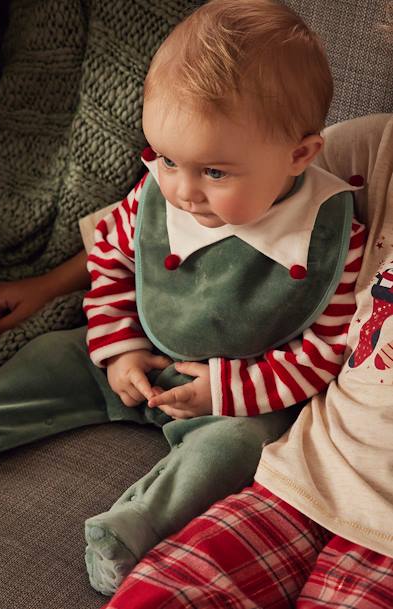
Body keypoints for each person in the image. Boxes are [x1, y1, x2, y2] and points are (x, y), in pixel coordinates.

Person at [0, 0, 365, 597]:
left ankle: (135, 525)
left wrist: (228, 390)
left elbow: (328, 349)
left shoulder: (332, 233)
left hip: (233, 392)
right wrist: (120, 351)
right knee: (47, 358)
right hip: (140, 356)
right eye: (165, 158)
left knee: (243, 448)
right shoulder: (157, 193)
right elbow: (111, 266)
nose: (183, 191)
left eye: (215, 172)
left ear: (298, 155)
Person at [101, 113, 393, 609]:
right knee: (150, 597)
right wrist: (51, 284)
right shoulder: (374, 151)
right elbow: (163, 209)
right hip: (301, 480)